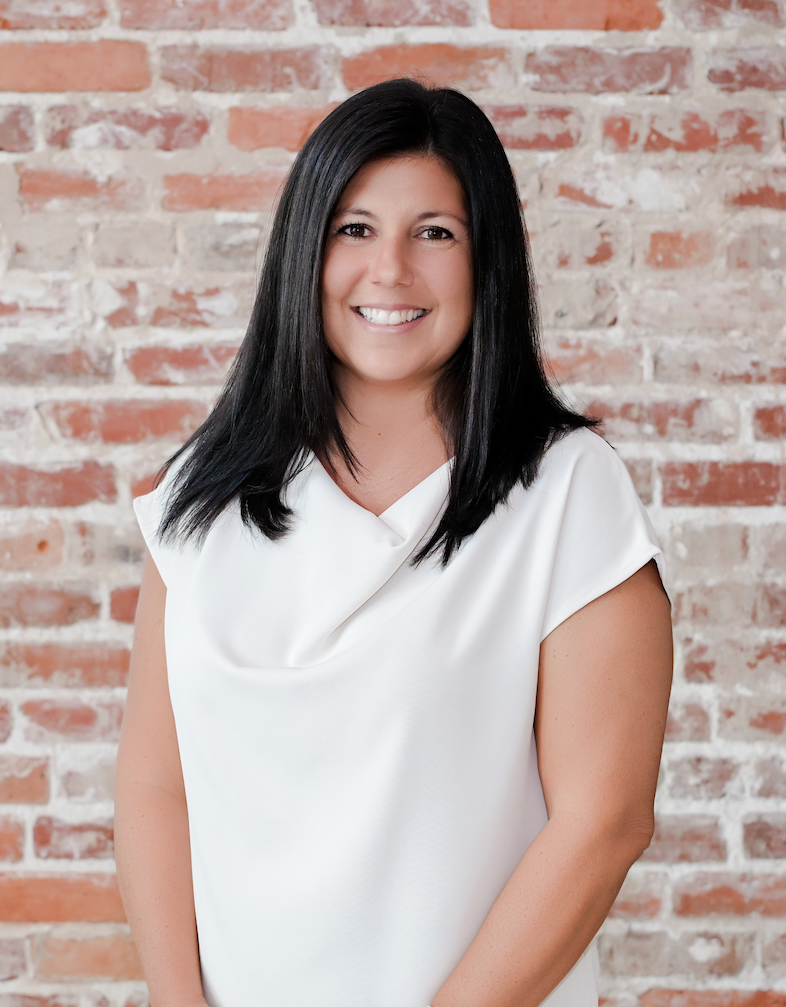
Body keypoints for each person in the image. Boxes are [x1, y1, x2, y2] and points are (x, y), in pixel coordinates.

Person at [114, 78, 673, 1007]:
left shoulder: (569, 494)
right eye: (355, 228)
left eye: (436, 233)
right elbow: (153, 787)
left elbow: (604, 821)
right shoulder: (199, 498)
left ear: (488, 259)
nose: (391, 270)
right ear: (306, 251)